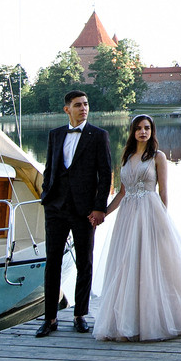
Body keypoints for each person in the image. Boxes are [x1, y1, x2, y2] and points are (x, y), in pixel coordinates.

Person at [93, 114, 181, 341]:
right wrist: (103, 214)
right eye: (139, 128)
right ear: (133, 132)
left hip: (150, 213)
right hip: (128, 217)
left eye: (147, 128)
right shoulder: (127, 156)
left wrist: (162, 221)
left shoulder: (158, 157)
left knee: (153, 265)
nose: (143, 132)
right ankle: (130, 320)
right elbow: (122, 192)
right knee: (127, 264)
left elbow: (163, 193)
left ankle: (161, 318)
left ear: (152, 131)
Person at [38, 89, 111, 336]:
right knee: (52, 263)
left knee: (85, 262)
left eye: (86, 104)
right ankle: (50, 318)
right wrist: (45, 195)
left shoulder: (98, 136)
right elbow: (50, 168)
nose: (84, 108)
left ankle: (80, 314)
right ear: (67, 109)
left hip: (84, 210)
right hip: (55, 208)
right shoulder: (55, 135)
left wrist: (99, 207)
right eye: (78, 105)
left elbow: (106, 174)